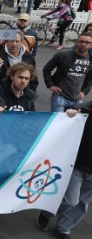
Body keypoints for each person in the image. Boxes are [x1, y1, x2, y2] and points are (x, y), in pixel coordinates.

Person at [36, 100, 92, 238]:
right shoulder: (86, 111)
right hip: (78, 165)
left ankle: (63, 228)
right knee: (71, 200)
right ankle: (47, 212)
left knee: (83, 204)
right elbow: (74, 110)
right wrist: (71, 113)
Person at [43, 32, 92, 112]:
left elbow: (90, 79)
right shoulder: (63, 55)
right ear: (77, 42)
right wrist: (50, 85)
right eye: (81, 41)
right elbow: (46, 69)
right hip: (60, 97)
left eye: (87, 42)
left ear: (91, 45)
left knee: (72, 123)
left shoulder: (91, 59)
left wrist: (84, 92)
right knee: (58, 122)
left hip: (77, 99)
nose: (83, 44)